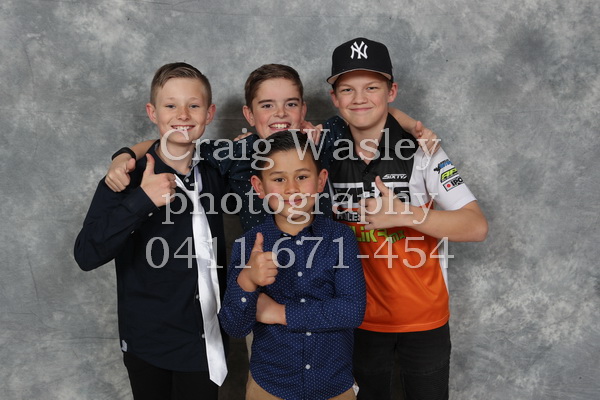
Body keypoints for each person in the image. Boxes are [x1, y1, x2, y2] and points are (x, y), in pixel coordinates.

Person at [321, 37, 489, 400]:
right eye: (347, 89)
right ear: (334, 98)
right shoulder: (323, 150)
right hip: (356, 318)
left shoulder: (423, 149)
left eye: (372, 87)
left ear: (391, 91)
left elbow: (475, 226)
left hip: (423, 317)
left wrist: (406, 214)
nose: (359, 98)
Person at [104, 64, 437, 232]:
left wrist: (412, 126)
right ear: (249, 115)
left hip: (326, 275)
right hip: (263, 283)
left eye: (290, 104)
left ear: (303, 110)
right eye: (267, 106)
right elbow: (174, 141)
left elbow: (367, 111)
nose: (280, 114)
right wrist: (125, 155)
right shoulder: (237, 153)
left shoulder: (324, 138)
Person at [74, 62, 228, 400]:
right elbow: (86, 254)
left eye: (194, 105)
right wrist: (141, 200)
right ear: (152, 112)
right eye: (170, 105)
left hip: (205, 339)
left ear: (209, 113)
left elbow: (272, 152)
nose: (183, 115)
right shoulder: (125, 179)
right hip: (148, 341)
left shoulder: (217, 167)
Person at [218, 131, 366, 400]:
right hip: (270, 386)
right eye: (278, 179)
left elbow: (351, 311)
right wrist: (247, 280)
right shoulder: (248, 245)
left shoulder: (340, 237)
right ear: (259, 187)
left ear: (320, 180)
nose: (291, 189)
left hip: (333, 385)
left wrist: (279, 313)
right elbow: (235, 327)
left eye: (302, 177)